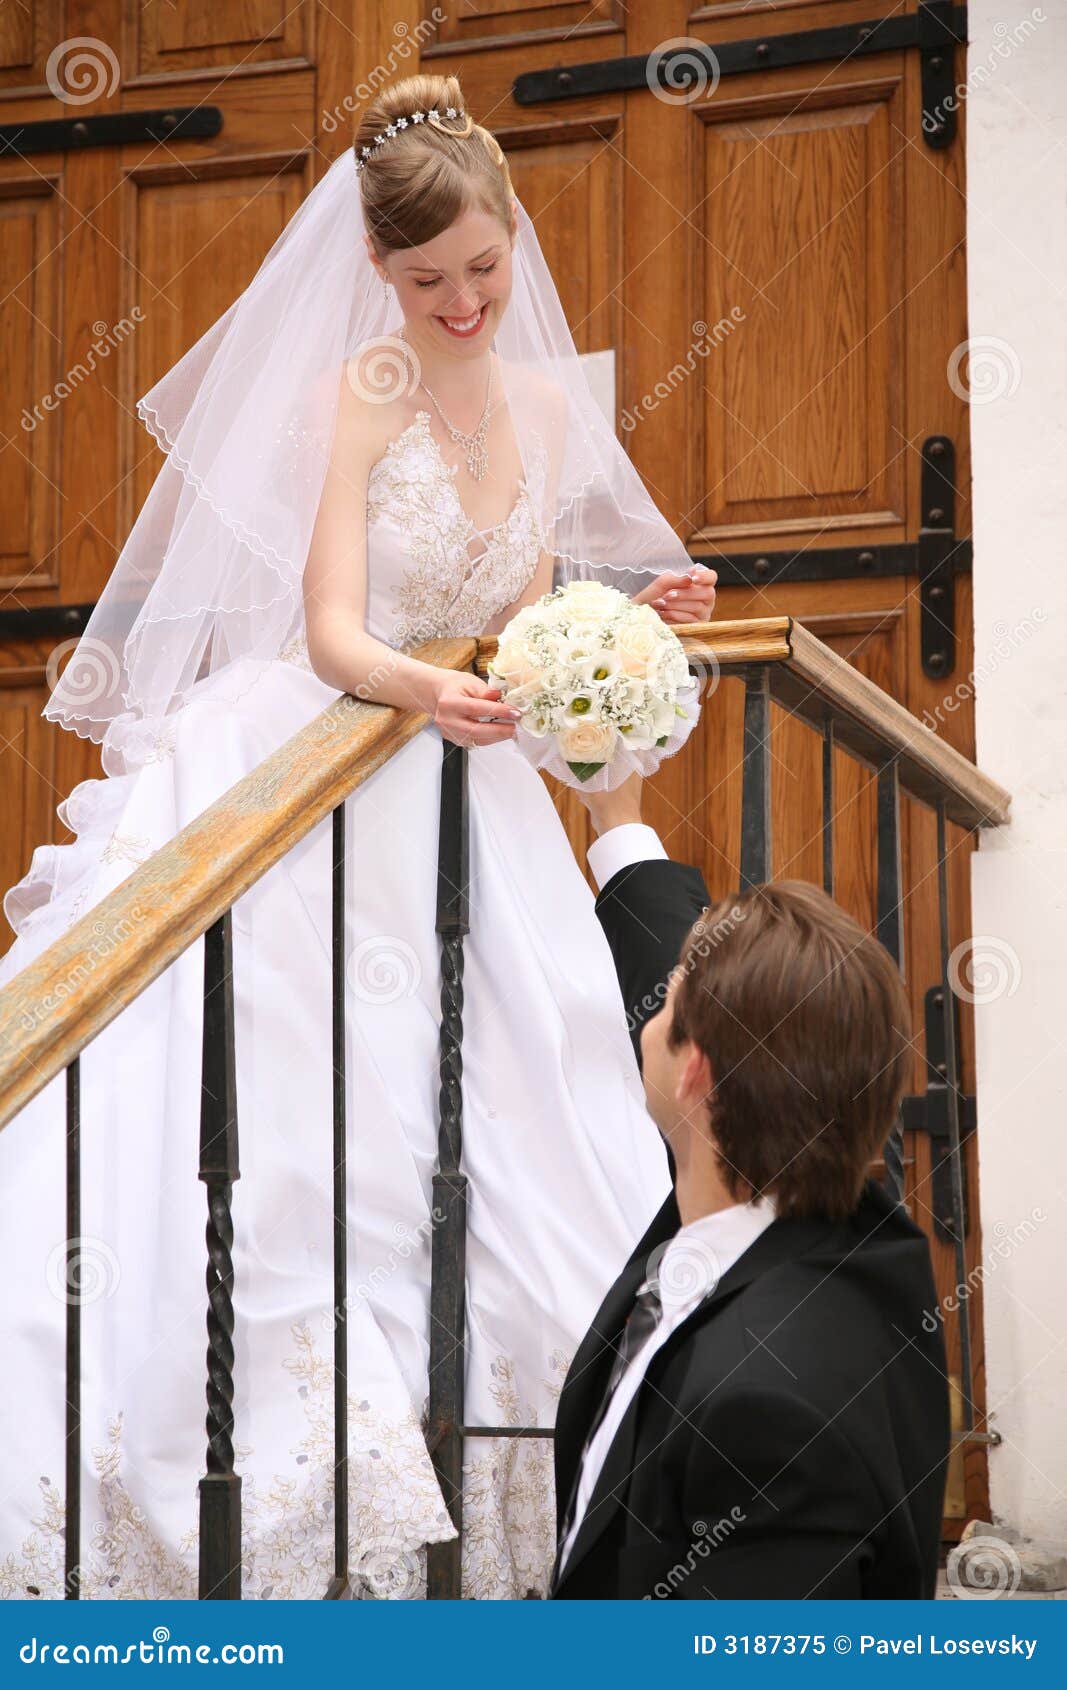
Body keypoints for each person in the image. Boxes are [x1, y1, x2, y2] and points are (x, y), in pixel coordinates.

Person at [0, 76, 717, 1600]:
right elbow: (333, 629)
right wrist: (421, 686)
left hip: (470, 784)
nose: (459, 302)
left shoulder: (543, 399)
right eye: (423, 279)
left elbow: (528, 612)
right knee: (307, 1136)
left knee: (536, 1120)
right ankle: (302, 1512)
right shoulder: (363, 392)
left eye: (479, 269)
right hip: (332, 755)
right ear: (378, 274)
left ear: (513, 238)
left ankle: (538, 1491)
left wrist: (619, 616)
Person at [550, 774, 951, 1600]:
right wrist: (616, 817)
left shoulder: (768, 1413)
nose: (644, 1022)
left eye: (663, 1012)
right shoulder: (854, 1232)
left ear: (695, 1073)